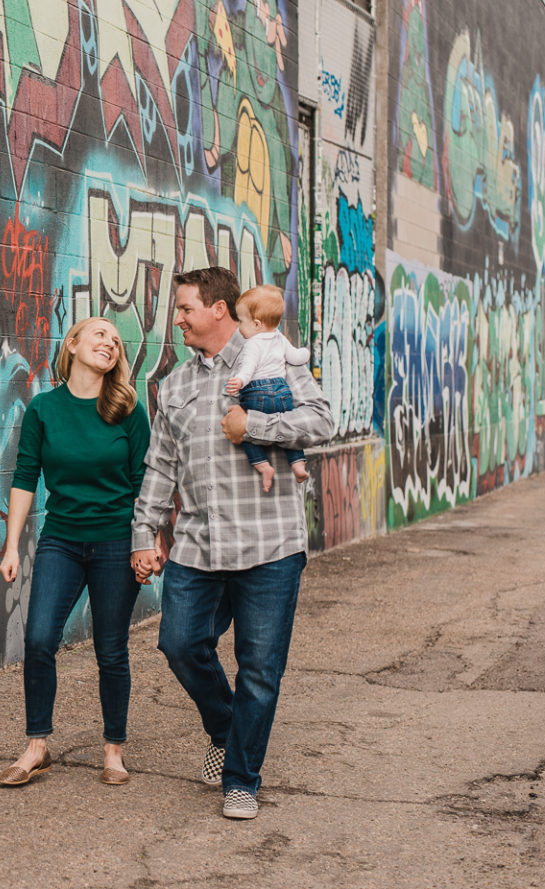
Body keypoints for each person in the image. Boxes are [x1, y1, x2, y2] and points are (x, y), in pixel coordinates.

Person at [129, 267, 334, 820]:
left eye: (185, 308)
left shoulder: (276, 358)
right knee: (179, 644)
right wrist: (143, 534)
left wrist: (255, 428)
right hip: (198, 545)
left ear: (219, 309)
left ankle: (241, 777)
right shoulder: (173, 387)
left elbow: (321, 422)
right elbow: (160, 467)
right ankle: (226, 730)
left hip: (270, 545)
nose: (178, 319)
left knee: (260, 668)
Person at [0, 317, 151, 787]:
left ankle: (113, 750)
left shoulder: (128, 410)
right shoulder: (44, 409)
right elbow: (26, 478)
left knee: (111, 648)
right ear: (74, 344)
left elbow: (145, 483)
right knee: (40, 638)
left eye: (116, 341)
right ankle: (37, 745)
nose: (109, 342)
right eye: (100, 333)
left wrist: (147, 542)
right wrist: (11, 547)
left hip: (114, 542)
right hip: (60, 540)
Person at [225, 283, 313, 492]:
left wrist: (239, 381)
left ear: (256, 324)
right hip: (282, 393)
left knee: (246, 431)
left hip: (257, 394)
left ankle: (263, 467)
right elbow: (295, 357)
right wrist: (306, 353)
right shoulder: (280, 339)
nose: (239, 327)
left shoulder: (252, 344)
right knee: (291, 434)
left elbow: (249, 367)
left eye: (242, 322)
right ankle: (298, 465)